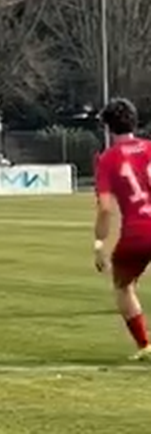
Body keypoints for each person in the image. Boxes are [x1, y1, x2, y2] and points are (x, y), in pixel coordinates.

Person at [93, 97, 151, 361]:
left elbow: (105, 208)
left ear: (107, 128)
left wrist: (98, 245)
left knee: (123, 287)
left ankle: (145, 345)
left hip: (137, 233)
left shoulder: (107, 159)